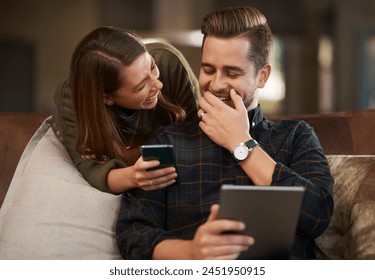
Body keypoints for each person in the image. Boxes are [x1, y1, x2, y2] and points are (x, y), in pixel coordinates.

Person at [116, 6, 334, 260]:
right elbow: (133, 233)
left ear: (262, 75)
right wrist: (192, 252)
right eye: (208, 70)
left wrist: (241, 143)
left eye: (232, 73)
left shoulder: (295, 137)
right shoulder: (168, 142)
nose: (216, 84)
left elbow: (318, 214)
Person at [53, 26, 200, 193]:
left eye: (152, 66)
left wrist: (128, 155)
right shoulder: (72, 95)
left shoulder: (167, 63)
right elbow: (92, 171)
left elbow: (199, 140)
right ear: (106, 97)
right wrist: (132, 176)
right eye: (141, 86)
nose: (158, 84)